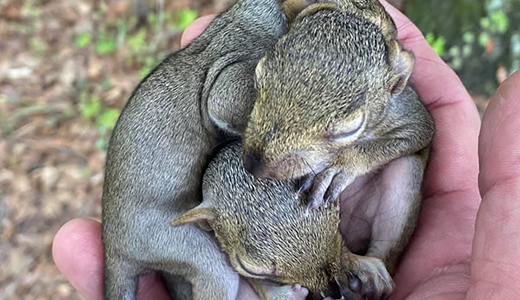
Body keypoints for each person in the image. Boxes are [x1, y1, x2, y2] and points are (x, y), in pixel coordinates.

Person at [52, 1, 520, 299]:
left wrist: (354, 157)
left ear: (394, 83)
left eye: (340, 128)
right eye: (263, 80)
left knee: (405, 169)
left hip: (356, 204)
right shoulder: (257, 49)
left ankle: (376, 257)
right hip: (292, 228)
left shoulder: (392, 97)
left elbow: (416, 133)